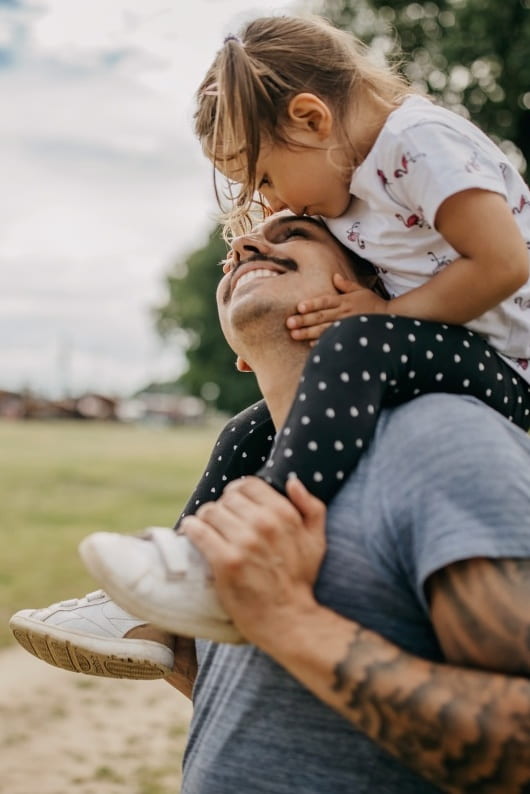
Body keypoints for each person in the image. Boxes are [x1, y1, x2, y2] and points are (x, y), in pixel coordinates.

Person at [9, 213, 530, 791]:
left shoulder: (441, 439)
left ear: (369, 290)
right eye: (232, 257)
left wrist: (288, 622)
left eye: (296, 235)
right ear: (238, 352)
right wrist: (197, 652)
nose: (247, 244)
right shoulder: (247, 469)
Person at [189, 14, 530, 505]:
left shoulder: (417, 143)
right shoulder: (345, 183)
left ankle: (275, 510)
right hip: (435, 349)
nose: (276, 203)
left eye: (265, 178)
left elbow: (504, 264)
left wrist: (387, 314)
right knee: (247, 431)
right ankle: (185, 556)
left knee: (359, 340)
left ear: (311, 120)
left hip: (509, 368)